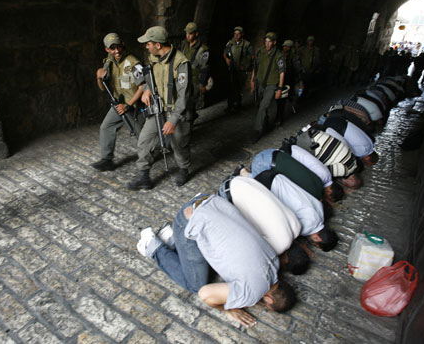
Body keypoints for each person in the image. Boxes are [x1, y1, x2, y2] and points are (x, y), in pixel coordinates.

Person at [137, 193, 296, 328]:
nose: (263, 305)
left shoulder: (274, 261)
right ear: (269, 298)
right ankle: (152, 246)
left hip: (210, 201)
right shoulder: (252, 294)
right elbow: (205, 294)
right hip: (188, 218)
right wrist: (227, 309)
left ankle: (172, 238)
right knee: (195, 285)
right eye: (267, 306)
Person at [127, 26, 193, 190]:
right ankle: (144, 176)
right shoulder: (153, 58)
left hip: (178, 112)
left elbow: (184, 96)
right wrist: (148, 90)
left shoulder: (181, 63)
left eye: (148, 43)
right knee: (144, 140)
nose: (146, 46)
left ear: (158, 44)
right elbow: (151, 79)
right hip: (158, 109)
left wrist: (173, 120)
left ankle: (183, 169)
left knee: (178, 143)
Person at [91, 33, 144, 171]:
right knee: (106, 127)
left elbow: (143, 87)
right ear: (107, 49)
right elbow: (104, 88)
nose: (117, 51)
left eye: (118, 47)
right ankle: (106, 160)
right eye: (112, 48)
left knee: (141, 135)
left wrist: (128, 105)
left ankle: (151, 155)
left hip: (134, 105)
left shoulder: (133, 62)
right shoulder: (108, 63)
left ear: (123, 45)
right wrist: (98, 78)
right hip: (118, 105)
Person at [251, 169, 339, 252]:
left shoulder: (321, 212)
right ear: (317, 238)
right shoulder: (304, 228)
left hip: (277, 176)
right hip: (268, 183)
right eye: (315, 244)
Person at [294, 125, 362, 189]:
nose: (344, 184)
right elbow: (324, 172)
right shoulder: (345, 170)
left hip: (316, 133)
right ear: (350, 179)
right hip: (308, 141)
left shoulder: (354, 161)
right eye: (347, 185)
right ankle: (294, 142)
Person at [278, 141, 344, 203]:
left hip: (293, 149)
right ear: (329, 192)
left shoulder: (328, 175)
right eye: (328, 199)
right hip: (287, 154)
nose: (326, 198)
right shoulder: (320, 180)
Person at [251, 32, 286, 143]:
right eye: (266, 41)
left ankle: (257, 131)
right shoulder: (261, 52)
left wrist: (279, 89)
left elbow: (282, 72)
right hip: (260, 82)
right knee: (258, 105)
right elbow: (255, 66)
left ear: (274, 42)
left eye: (269, 42)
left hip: (271, 84)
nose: (267, 44)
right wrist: (252, 80)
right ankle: (264, 122)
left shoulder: (279, 55)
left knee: (263, 106)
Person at [249, 149, 324, 200]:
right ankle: (244, 175)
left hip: (271, 152)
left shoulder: (319, 182)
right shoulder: (310, 197)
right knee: (259, 192)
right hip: (263, 164)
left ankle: (246, 174)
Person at [180, 22, 210, 114]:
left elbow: (205, 67)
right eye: (186, 33)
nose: (188, 36)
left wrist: (202, 83)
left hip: (195, 80)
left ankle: (190, 123)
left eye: (190, 33)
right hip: (184, 79)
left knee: (193, 105)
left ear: (196, 34)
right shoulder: (184, 45)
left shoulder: (203, 49)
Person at [223, 26, 254, 112]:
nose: (236, 36)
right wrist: (226, 59)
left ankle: (238, 103)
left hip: (241, 70)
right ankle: (230, 104)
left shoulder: (247, 44)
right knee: (231, 86)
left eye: (238, 34)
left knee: (238, 87)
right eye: (235, 34)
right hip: (232, 68)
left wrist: (245, 65)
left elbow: (252, 56)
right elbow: (225, 53)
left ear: (242, 34)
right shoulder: (230, 43)